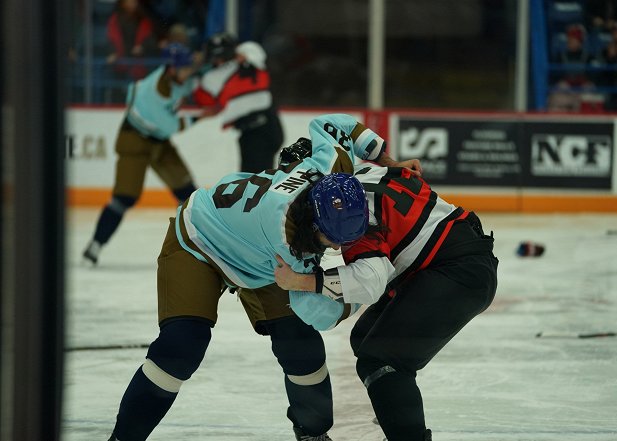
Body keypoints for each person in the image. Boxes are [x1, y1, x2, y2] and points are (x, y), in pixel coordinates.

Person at [105, 114, 414, 441]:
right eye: (332, 238)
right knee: (181, 346)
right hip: (200, 242)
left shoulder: (333, 168)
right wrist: (364, 295)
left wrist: (388, 161)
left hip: (261, 254)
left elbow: (330, 124)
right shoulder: (288, 237)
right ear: (312, 222)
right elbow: (314, 310)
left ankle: (313, 436)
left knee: (301, 347)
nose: (338, 246)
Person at [273, 144, 498, 441]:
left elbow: (370, 282)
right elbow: (407, 173)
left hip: (456, 273)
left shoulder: (347, 213)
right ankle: (397, 412)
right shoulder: (358, 173)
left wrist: (300, 282)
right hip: (455, 255)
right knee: (366, 337)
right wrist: (391, 162)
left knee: (381, 360)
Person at [83, 43, 202, 265]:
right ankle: (95, 245)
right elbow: (172, 126)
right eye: (184, 68)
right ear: (172, 68)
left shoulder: (175, 79)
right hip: (134, 140)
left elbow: (192, 86)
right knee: (124, 197)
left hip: (158, 140)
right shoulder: (153, 92)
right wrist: (202, 115)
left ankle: (204, 247)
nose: (188, 72)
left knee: (189, 195)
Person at [192, 32, 284, 173]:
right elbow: (256, 55)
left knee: (253, 183)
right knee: (260, 180)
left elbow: (203, 101)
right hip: (271, 125)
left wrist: (196, 69)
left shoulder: (211, 78)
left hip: (254, 133)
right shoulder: (253, 62)